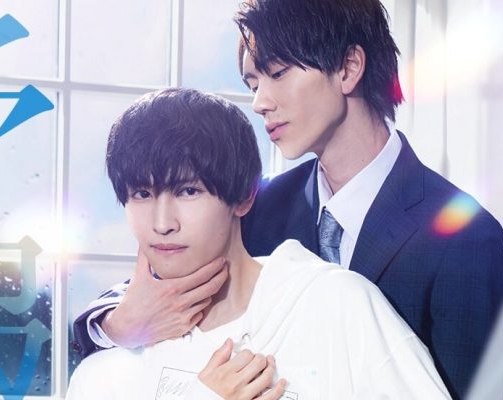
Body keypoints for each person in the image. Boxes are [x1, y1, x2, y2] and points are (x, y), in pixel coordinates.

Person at [73, 1, 503, 398]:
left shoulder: (464, 238)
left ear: (349, 67)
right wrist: (118, 325)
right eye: (253, 82)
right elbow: (155, 285)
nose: (259, 102)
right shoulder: (258, 204)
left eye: (278, 73)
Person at [66, 87, 451, 399]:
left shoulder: (338, 304)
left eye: (187, 191)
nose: (162, 224)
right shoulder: (104, 372)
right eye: (141, 194)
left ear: (244, 197)